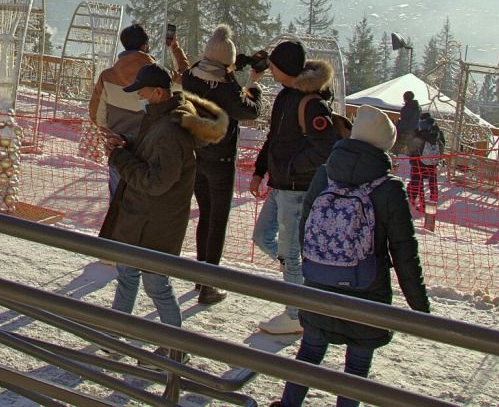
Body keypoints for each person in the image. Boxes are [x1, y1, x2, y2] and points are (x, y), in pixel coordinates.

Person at [272, 105, 430, 407]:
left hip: (319, 285)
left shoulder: (325, 175)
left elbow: (306, 228)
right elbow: (404, 252)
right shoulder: (388, 188)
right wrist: (419, 306)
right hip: (366, 293)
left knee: (308, 355)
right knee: (355, 371)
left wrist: (315, 271)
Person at [99, 63, 228, 343]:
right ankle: (115, 335)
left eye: (142, 92)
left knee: (156, 285)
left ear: (158, 92)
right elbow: (150, 151)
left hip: (153, 224)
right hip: (145, 220)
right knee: (128, 274)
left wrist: (119, 158)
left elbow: (155, 181)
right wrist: (126, 144)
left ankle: (175, 346)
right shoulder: (163, 119)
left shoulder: (170, 131)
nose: (139, 97)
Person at [249, 40, 337, 335]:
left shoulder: (311, 103)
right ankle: (299, 281)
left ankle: (296, 313)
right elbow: (274, 137)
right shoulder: (286, 96)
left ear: (285, 68)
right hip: (280, 185)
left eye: (274, 65)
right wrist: (261, 170)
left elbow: (325, 148)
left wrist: (290, 168)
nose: (270, 69)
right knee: (262, 237)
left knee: (291, 250)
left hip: (297, 189)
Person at [169, 24, 262, 305]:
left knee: (205, 215)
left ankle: (200, 275)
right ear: (228, 63)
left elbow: (194, 67)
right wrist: (254, 83)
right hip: (221, 161)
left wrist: (225, 66)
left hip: (197, 156)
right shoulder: (228, 90)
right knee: (218, 221)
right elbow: (252, 111)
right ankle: (209, 284)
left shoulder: (190, 79)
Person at [89, 24, 155, 197]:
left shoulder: (107, 76)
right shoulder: (158, 77)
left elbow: (97, 115)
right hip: (149, 148)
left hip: (117, 148)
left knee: (118, 202)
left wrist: (110, 134)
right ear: (145, 46)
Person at [405, 112, 445, 208]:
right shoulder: (438, 133)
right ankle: (433, 202)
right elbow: (442, 145)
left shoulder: (418, 132)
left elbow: (411, 146)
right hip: (432, 162)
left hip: (418, 161)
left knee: (417, 182)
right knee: (432, 182)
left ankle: (416, 201)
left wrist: (411, 157)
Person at [393, 90, 420, 157]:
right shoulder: (417, 108)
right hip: (414, 132)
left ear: (405, 98)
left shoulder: (406, 108)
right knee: (410, 152)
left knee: (396, 150)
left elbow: (404, 121)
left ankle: (396, 164)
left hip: (405, 132)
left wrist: (398, 128)